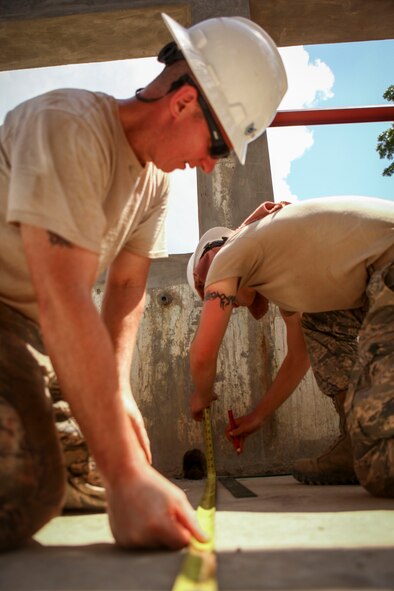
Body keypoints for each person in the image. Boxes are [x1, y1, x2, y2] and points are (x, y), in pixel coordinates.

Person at [0, 13, 287, 550]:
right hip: (18, 319)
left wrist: (119, 389)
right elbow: (63, 299)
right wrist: (129, 476)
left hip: (29, 335)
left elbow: (127, 288)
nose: (208, 166)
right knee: (28, 488)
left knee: (87, 475)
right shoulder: (69, 125)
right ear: (182, 103)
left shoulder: (154, 182)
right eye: (219, 146)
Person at [187, 196, 394, 498]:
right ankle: (356, 439)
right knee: (318, 323)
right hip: (375, 277)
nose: (230, 305)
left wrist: (202, 396)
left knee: (381, 469)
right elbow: (299, 357)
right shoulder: (283, 269)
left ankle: (371, 445)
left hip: (388, 271)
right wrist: (258, 415)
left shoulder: (227, 254)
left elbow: (203, 354)